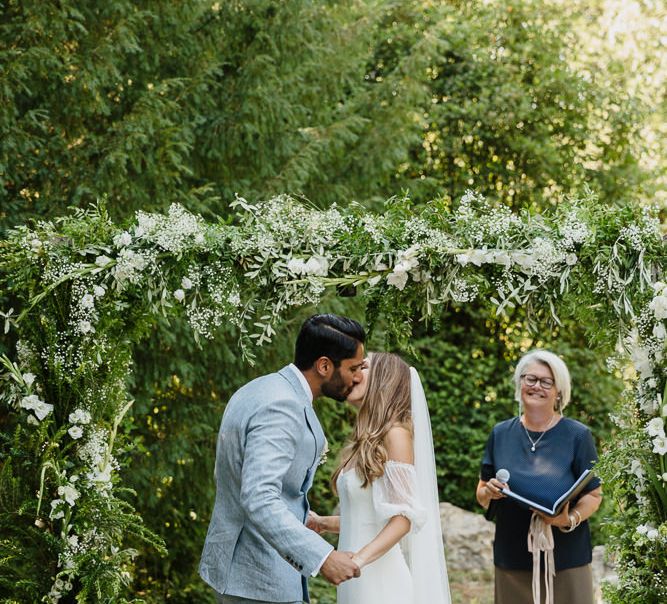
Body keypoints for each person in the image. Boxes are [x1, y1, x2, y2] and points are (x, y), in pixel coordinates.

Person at [199, 314, 367, 604]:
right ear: (324, 365)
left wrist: (303, 517)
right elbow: (258, 497)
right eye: (352, 368)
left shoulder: (260, 388)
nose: (358, 377)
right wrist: (322, 556)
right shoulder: (282, 406)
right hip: (258, 578)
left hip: (242, 574)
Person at [308, 352, 451, 604]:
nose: (352, 373)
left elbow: (402, 519)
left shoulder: (395, 434)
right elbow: (367, 517)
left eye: (362, 367)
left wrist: (357, 561)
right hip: (355, 579)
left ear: (383, 380)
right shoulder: (365, 439)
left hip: (380, 582)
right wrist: (322, 523)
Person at [476, 349, 603, 604]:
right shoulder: (500, 433)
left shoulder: (578, 436)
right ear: (519, 383)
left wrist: (569, 519)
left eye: (547, 381)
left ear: (559, 391)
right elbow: (481, 492)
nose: (537, 387)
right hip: (512, 555)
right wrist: (489, 492)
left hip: (566, 558)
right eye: (530, 379)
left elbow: (594, 494)